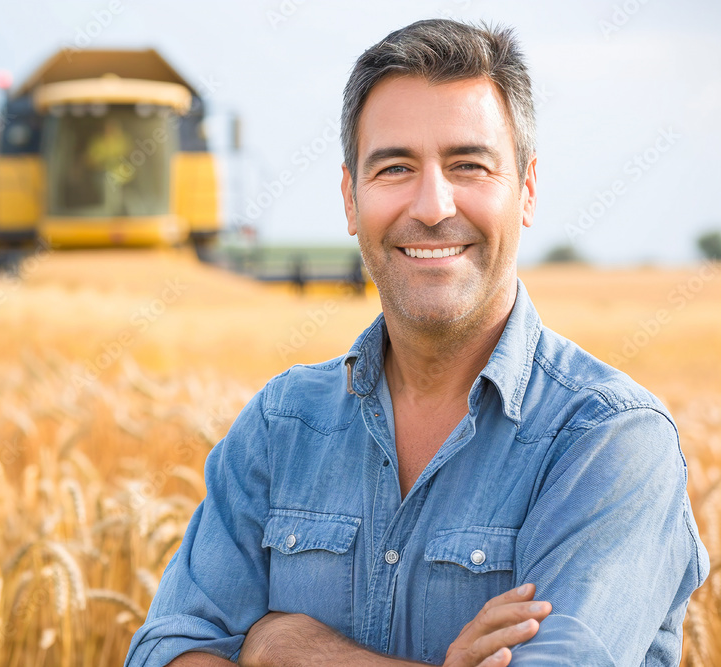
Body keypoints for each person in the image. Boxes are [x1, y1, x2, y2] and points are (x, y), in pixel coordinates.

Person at [125, 18, 709, 667]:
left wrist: (292, 647)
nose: (432, 206)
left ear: (528, 190)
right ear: (351, 199)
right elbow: (168, 651)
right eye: (395, 167)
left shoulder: (609, 439)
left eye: (469, 165)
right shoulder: (279, 424)